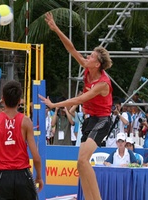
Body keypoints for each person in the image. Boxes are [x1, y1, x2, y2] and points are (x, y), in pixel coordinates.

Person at [39, 12, 113, 200]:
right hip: (90, 120)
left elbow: (79, 100)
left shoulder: (103, 83)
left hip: (102, 121)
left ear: (97, 63)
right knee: (81, 164)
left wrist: (55, 104)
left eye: (91, 56)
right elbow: (71, 49)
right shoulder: (89, 68)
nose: (87, 57)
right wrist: (56, 28)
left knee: (82, 160)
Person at [0, 80, 43, 200]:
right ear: (19, 100)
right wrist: (39, 177)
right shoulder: (26, 121)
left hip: (2, 176)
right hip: (23, 175)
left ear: (2, 99)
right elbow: (36, 157)